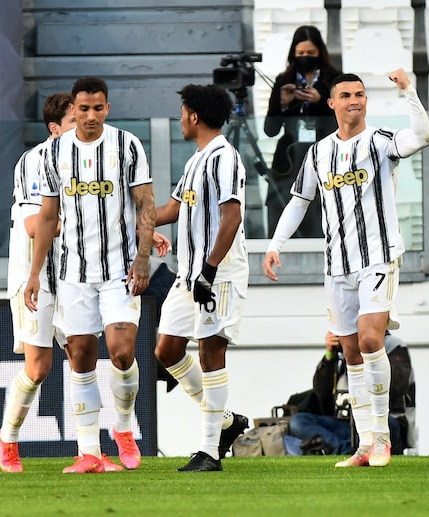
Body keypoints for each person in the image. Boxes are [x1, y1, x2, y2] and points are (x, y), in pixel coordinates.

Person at [263, 69, 429, 468]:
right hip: (337, 265)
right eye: (347, 95)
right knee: (351, 352)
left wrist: (409, 90)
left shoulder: (380, 141)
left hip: (378, 256)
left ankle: (382, 440)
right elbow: (300, 201)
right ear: (332, 103)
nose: (355, 100)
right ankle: (363, 443)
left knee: (372, 340)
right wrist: (274, 245)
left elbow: (422, 136)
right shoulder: (319, 153)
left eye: (360, 94)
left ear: (365, 102)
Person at [24, 77, 156, 474]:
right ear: (74, 110)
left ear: (107, 109)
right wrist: (34, 273)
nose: (91, 115)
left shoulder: (126, 145)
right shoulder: (54, 152)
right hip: (73, 273)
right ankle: (89, 452)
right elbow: (48, 216)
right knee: (80, 355)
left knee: (121, 350)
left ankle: (124, 428)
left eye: (98, 108)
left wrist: (143, 258)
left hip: (119, 269)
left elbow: (146, 203)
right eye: (84, 109)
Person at [154, 84, 250, 472]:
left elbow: (233, 216)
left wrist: (210, 268)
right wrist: (126, 215)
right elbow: (172, 210)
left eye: (182, 112)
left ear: (194, 116)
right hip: (188, 274)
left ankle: (209, 450)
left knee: (211, 351)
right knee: (167, 350)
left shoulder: (224, 158)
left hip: (218, 273)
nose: (180, 119)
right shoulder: (196, 160)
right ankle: (225, 422)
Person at [0, 93, 77, 473]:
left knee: (82, 356)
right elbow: (33, 225)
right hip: (36, 278)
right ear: (54, 128)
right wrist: (90, 222)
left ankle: (89, 449)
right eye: (75, 121)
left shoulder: (90, 159)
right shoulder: (34, 162)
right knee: (39, 367)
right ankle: (7, 438)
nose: (86, 126)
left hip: (76, 277)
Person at [263, 25, 340, 238]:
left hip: (324, 155)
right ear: (293, 54)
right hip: (289, 159)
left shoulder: (333, 80)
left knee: (321, 213)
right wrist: (284, 104)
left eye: (311, 53)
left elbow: (344, 124)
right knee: (282, 207)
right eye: (301, 53)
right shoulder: (283, 80)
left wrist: (322, 102)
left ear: (320, 54)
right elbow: (270, 129)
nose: (305, 57)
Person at [291, 331, 416, 457]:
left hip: (382, 424)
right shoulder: (343, 351)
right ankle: (346, 450)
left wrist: (367, 353)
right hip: (344, 425)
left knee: (383, 423)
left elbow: (397, 387)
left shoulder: (393, 345)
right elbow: (321, 393)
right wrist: (330, 355)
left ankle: (339, 448)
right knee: (299, 421)